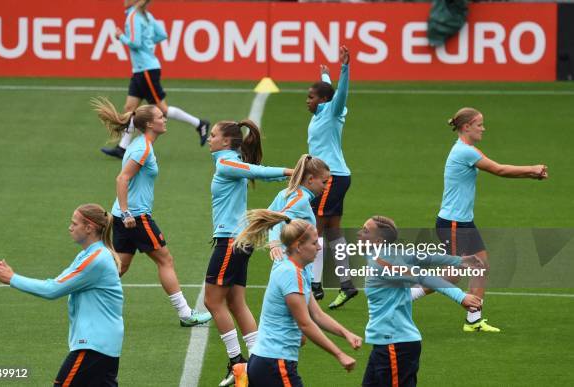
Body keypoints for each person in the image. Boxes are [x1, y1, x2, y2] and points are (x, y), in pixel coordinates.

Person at [412, 107, 548, 332]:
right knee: (455, 274)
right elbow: (499, 170)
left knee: (481, 268)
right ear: (466, 127)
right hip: (453, 223)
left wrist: (531, 175)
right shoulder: (464, 152)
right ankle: (406, 296)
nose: (483, 128)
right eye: (479, 125)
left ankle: (474, 320)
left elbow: (499, 168)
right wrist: (532, 169)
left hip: (463, 222)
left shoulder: (469, 149)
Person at [93, 97, 211, 327]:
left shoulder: (140, 145)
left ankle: (87, 296)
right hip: (134, 218)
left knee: (121, 266)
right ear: (149, 125)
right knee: (165, 260)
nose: (165, 119)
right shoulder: (143, 149)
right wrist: (127, 213)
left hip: (123, 216)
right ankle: (186, 314)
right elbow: (122, 178)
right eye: (160, 117)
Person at [0, 204, 124, 386]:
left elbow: (52, 289)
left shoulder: (95, 259)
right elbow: (57, 282)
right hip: (103, 346)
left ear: (89, 228)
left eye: (74, 223)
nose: (70, 227)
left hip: (93, 347)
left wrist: (12, 278)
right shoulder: (89, 255)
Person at [204, 120, 294, 386]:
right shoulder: (230, 161)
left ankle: (237, 362)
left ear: (226, 141)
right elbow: (260, 172)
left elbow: (259, 171)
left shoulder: (226, 163)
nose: (209, 139)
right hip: (239, 241)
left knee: (212, 301)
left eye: (213, 135)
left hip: (230, 242)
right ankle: (257, 363)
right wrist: (290, 174)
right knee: (235, 303)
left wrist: (292, 171)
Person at [233, 210, 362, 387]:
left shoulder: (295, 270)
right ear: (299, 246)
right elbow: (305, 323)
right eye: (314, 243)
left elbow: (317, 314)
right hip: (275, 364)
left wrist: (345, 333)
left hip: (268, 362)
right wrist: (339, 354)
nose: (318, 247)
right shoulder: (291, 274)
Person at [359, 215, 484, 387]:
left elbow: (423, 275)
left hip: (395, 344)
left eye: (365, 231)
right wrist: (459, 260)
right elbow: (424, 257)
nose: (359, 234)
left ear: (379, 240)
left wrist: (460, 296)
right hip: (384, 344)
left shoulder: (382, 263)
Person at [101, 0, 209, 159]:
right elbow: (162, 35)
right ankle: (122, 148)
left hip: (146, 69)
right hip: (142, 69)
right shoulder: (146, 15)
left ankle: (199, 124)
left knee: (162, 110)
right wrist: (148, 44)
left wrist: (121, 37)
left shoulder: (133, 16)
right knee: (129, 108)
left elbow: (135, 43)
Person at [305, 45, 356, 308]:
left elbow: (341, 94)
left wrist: (344, 67)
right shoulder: (323, 111)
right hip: (336, 176)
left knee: (314, 229)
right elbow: (331, 92)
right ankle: (346, 284)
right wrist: (325, 77)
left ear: (323, 101)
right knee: (334, 232)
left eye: (311, 97)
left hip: (331, 178)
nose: (307, 101)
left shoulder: (333, 111)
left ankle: (314, 285)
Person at [267, 154, 330, 263]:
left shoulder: (286, 193)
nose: (326, 187)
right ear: (310, 179)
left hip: (284, 262)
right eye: (324, 182)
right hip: (293, 263)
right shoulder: (301, 199)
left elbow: (267, 216)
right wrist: (274, 243)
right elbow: (278, 219)